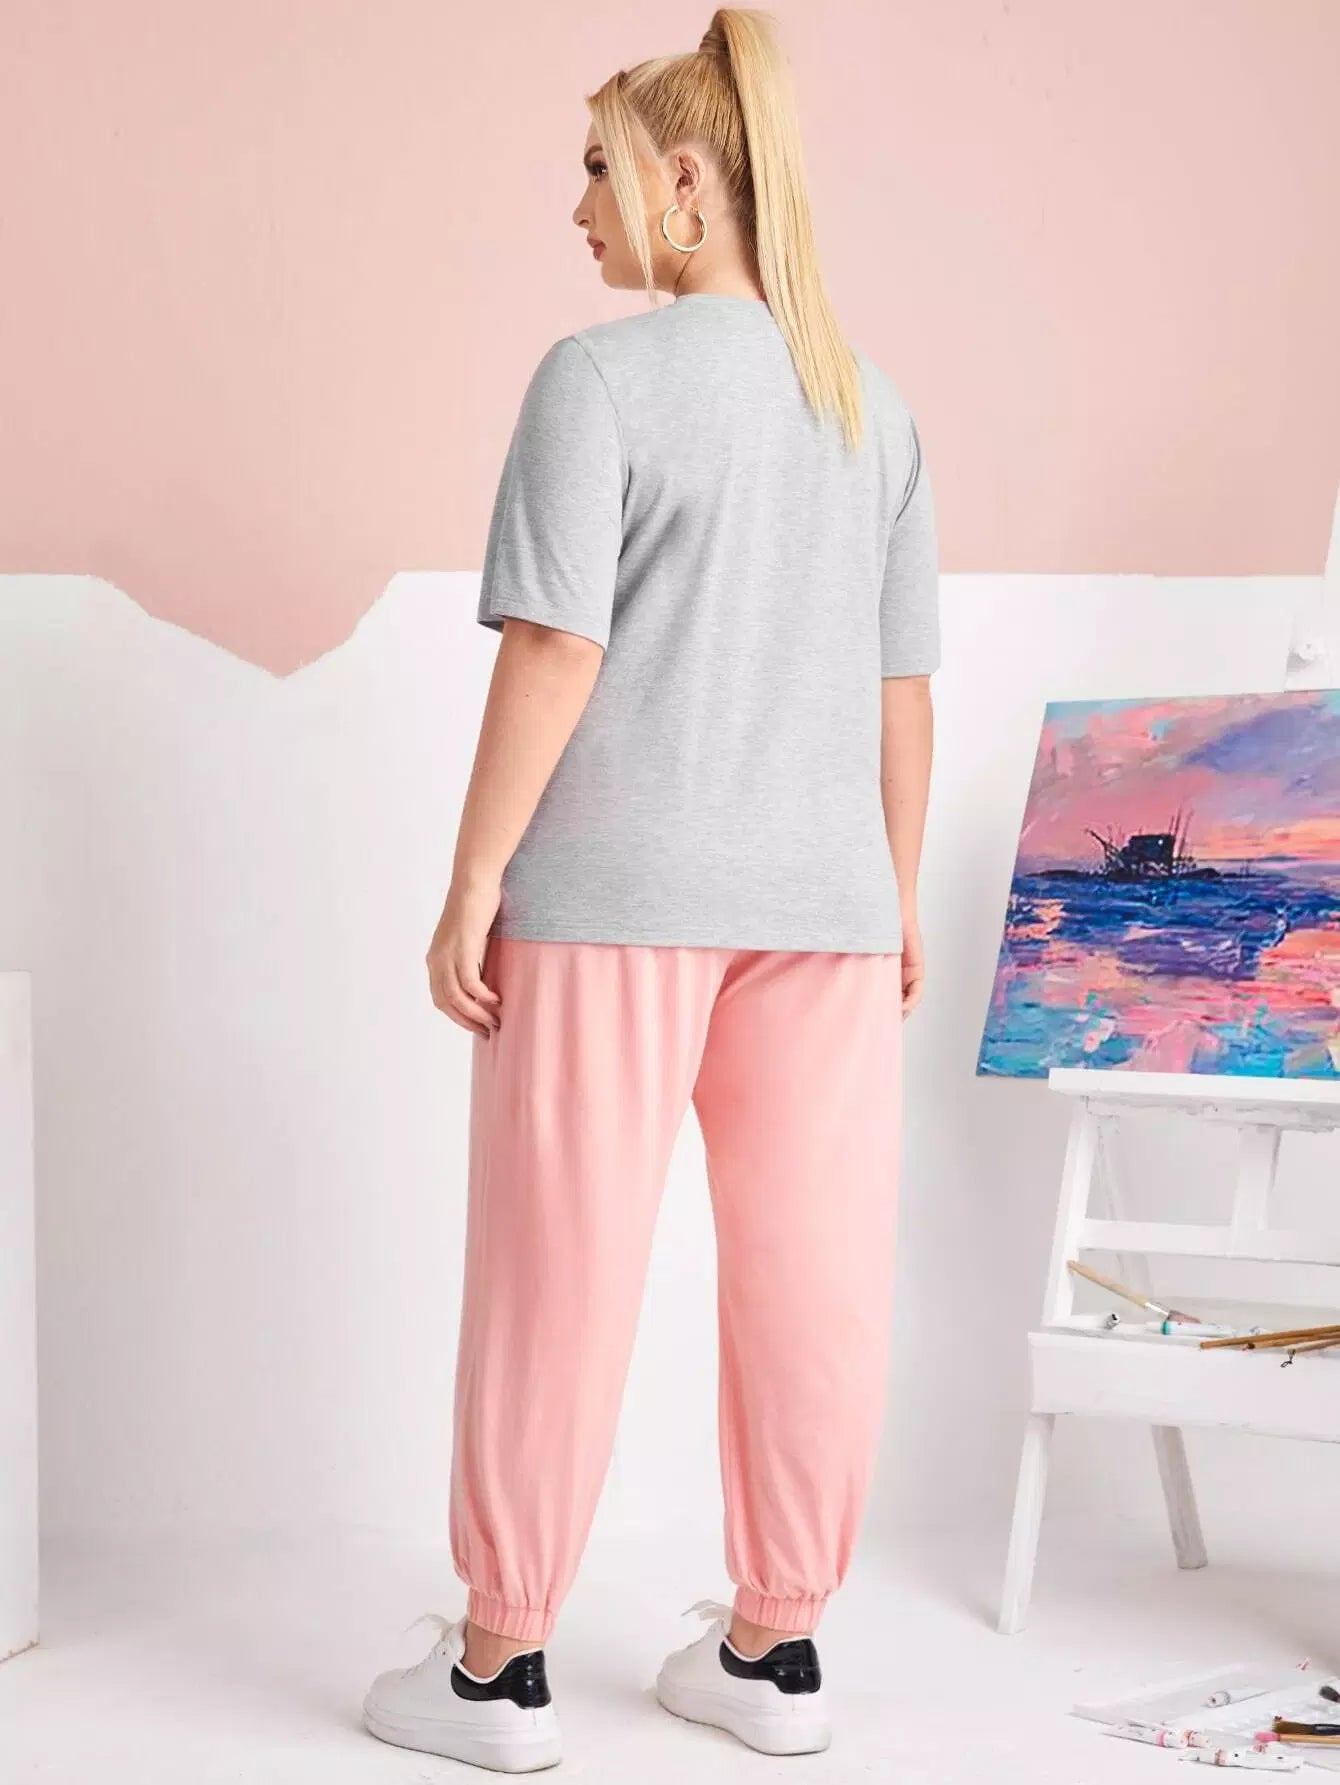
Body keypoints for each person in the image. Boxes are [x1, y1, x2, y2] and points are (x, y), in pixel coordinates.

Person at [362, 6, 939, 1771]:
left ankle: (499, 1668)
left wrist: (472, 877)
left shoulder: (597, 381)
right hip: (828, 912)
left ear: (687, 185)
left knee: (559, 1264)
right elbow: (903, 691)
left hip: (612, 897)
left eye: (597, 172)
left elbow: (554, 647)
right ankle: (776, 1645)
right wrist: (898, 896)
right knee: (814, 1277)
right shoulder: (875, 408)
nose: (579, 209)